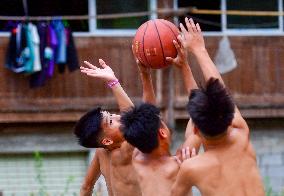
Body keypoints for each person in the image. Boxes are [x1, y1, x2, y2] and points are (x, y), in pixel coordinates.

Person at [171, 18, 265, 196]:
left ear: (196, 129)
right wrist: (199, 50)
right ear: (230, 118)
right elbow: (220, 94)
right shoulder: (241, 135)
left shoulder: (192, 168)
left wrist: (183, 166)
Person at [120, 38, 201, 196]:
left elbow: (149, 112)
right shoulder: (180, 164)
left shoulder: (136, 159)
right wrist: (184, 65)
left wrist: (145, 74)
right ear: (162, 133)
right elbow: (199, 113)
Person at [75, 59, 154, 196]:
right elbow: (136, 118)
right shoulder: (124, 151)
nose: (119, 117)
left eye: (111, 114)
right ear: (107, 141)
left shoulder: (101, 153)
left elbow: (86, 187)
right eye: (111, 121)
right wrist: (113, 82)